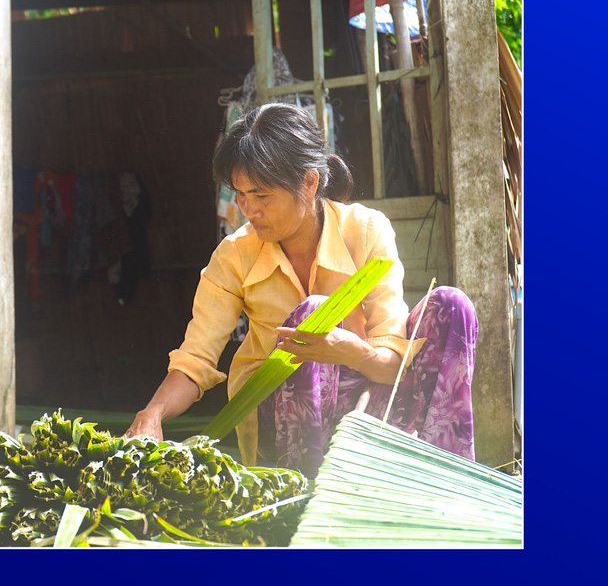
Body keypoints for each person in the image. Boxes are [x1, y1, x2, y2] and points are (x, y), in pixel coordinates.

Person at [126, 103, 476, 476]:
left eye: (261, 196)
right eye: (240, 195)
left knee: (452, 305)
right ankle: (303, 490)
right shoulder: (233, 256)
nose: (249, 210)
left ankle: (446, 477)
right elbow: (196, 360)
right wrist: (153, 412)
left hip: (367, 402)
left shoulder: (367, 231)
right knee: (313, 314)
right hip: (276, 419)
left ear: (309, 183)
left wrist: (348, 353)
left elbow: (392, 364)